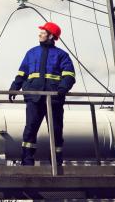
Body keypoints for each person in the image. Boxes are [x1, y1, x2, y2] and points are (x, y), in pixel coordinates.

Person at [8, 22, 76, 166]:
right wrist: (15, 87)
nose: (39, 34)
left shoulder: (61, 55)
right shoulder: (31, 53)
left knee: (56, 130)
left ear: (51, 36)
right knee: (30, 129)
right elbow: (22, 72)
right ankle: (27, 162)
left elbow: (69, 75)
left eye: (43, 32)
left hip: (54, 99)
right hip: (34, 96)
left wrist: (62, 89)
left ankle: (56, 162)